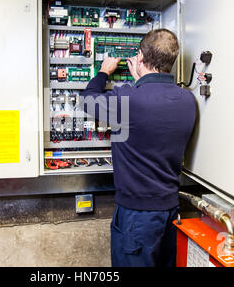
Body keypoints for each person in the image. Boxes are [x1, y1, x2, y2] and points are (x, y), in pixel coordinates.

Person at [80, 29, 196, 267]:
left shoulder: (127, 99)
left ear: (140, 57)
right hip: (171, 212)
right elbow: (153, 113)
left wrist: (103, 71)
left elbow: (88, 100)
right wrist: (140, 82)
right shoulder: (188, 100)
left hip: (136, 215)